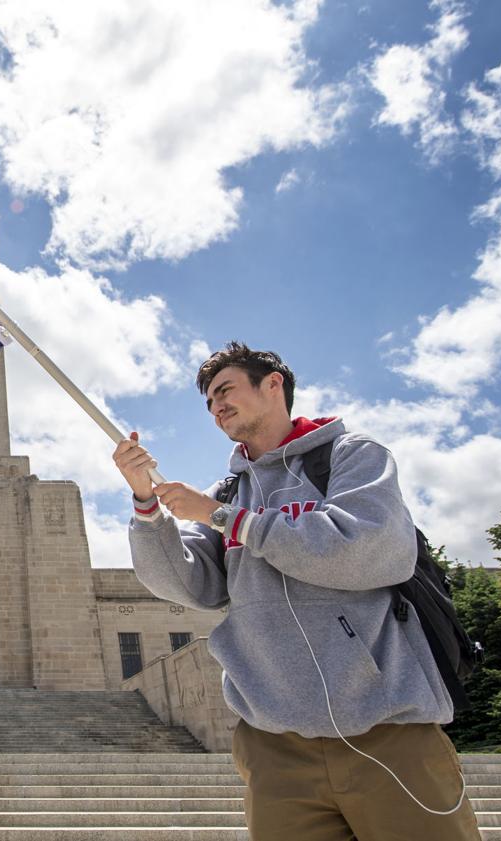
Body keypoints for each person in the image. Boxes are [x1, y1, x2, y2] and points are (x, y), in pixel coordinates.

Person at [111, 341, 480, 841]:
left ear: (273, 384)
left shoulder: (349, 457)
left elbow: (372, 550)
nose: (217, 407)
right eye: (209, 402)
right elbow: (186, 585)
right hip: (275, 746)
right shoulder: (228, 492)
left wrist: (227, 520)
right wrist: (145, 503)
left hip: (386, 733)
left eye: (226, 391)